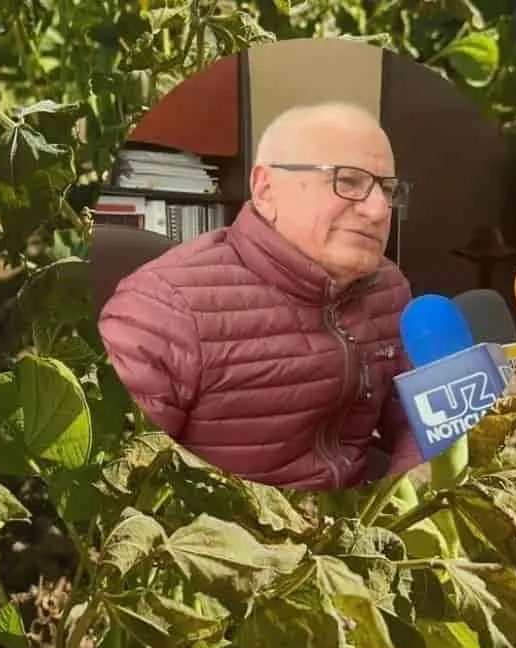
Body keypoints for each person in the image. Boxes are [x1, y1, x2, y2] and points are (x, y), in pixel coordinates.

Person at [97, 101, 422, 492]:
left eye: (388, 190)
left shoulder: (389, 286)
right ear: (266, 190)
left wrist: (401, 495)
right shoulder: (160, 309)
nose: (378, 210)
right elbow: (123, 482)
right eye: (349, 181)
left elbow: (412, 413)